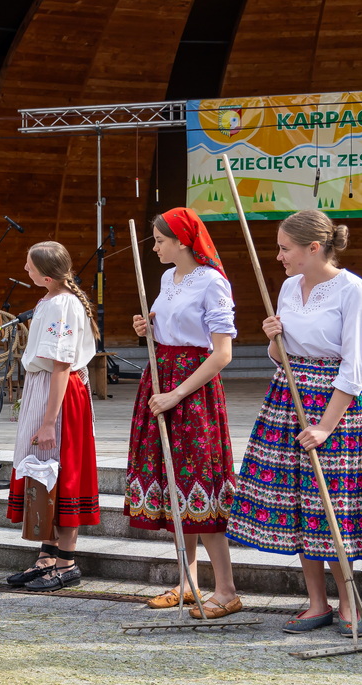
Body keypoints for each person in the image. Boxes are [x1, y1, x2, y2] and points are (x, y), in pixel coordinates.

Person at [226, 210, 362, 636]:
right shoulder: (291, 286)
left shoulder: (353, 291)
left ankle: (348, 601)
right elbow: (282, 358)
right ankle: (316, 602)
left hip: (333, 405)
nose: (278, 256)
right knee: (297, 502)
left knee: (332, 505)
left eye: (285, 248)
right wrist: (274, 338)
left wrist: (326, 425)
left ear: (314, 248)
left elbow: (355, 367)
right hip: (288, 397)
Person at [127, 209, 241, 618]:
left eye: (159, 240)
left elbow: (222, 353)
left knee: (200, 486)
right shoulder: (166, 278)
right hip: (162, 380)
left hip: (193, 392)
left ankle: (226, 589)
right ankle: (188, 581)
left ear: (182, 241)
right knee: (175, 486)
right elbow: (169, 332)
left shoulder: (213, 282)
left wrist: (176, 393)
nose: (154, 247)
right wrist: (148, 329)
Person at [4, 241, 100, 592]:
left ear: (46, 274)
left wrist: (48, 422)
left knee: (60, 468)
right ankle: (47, 555)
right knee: (42, 469)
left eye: (29, 265)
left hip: (58, 393)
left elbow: (61, 364)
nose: (25, 269)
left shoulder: (63, 305)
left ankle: (67, 561)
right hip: (44, 388)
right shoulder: (49, 300)